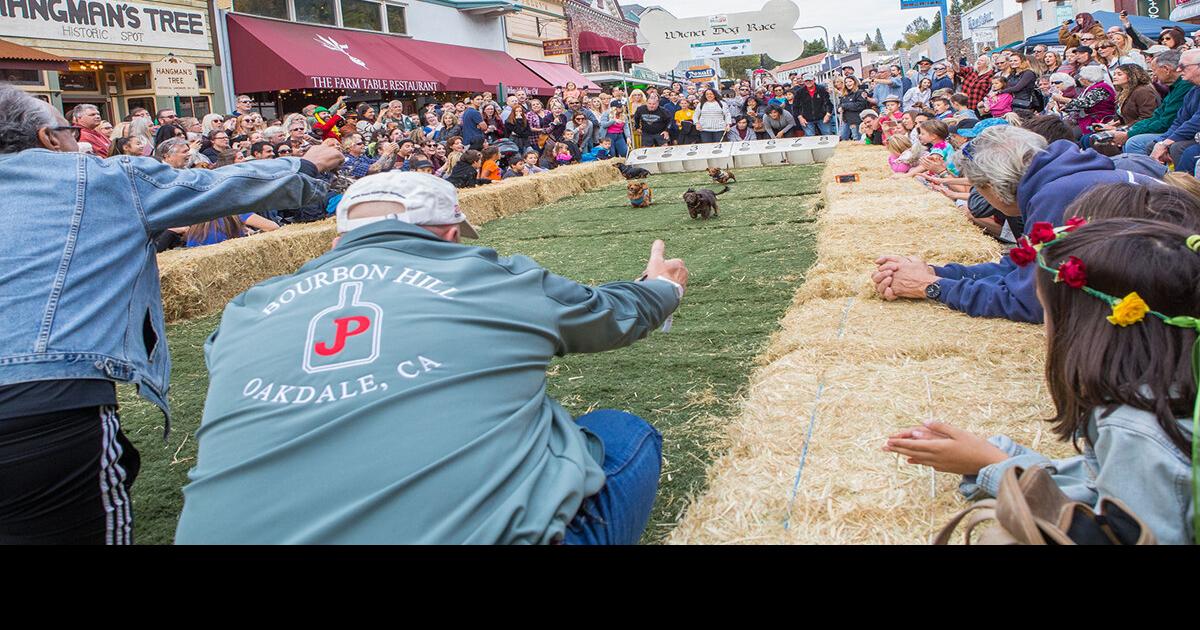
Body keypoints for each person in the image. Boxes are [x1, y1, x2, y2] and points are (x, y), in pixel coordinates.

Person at [174, 172, 688, 544]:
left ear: (338, 241)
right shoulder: (485, 276)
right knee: (619, 432)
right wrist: (662, 289)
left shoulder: (245, 310)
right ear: (447, 233)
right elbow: (609, 315)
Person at [0, 85, 344, 545]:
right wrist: (306, 164)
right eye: (69, 132)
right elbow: (218, 186)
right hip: (42, 406)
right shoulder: (100, 178)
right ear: (47, 138)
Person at [885, 213, 1198, 545]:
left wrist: (993, 465)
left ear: (1084, 326)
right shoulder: (1163, 391)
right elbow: (1104, 486)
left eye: (1046, 312)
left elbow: (1118, 534)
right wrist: (1003, 459)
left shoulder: (1135, 429)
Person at [871, 124, 1159, 323]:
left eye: (977, 188)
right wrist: (937, 272)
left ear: (993, 186)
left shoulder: (1057, 194)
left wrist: (931, 287)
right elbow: (1023, 268)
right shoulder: (1061, 179)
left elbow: (1031, 300)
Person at [1062, 65, 1117, 135]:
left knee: (1072, 133)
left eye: (1081, 77)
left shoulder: (1101, 88)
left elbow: (1085, 103)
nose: (1079, 79)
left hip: (1100, 119)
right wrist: (1066, 106)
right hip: (1090, 117)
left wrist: (1063, 99)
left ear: (1087, 79)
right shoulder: (1090, 87)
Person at [838, 76, 871, 141]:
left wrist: (844, 106)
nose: (848, 83)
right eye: (846, 82)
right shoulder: (844, 94)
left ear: (855, 82)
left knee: (857, 138)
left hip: (856, 120)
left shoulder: (860, 92)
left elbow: (860, 105)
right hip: (845, 120)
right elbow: (840, 104)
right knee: (842, 137)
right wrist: (839, 107)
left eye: (850, 81)